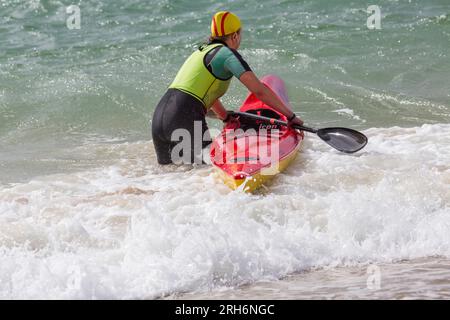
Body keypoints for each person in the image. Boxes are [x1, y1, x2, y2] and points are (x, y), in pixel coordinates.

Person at [151, 11, 303, 165]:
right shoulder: (226, 54)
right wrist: (290, 117)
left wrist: (225, 117)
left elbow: (206, 94)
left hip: (159, 118)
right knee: (210, 171)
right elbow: (259, 90)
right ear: (235, 36)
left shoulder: (200, 52)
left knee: (171, 176)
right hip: (184, 115)